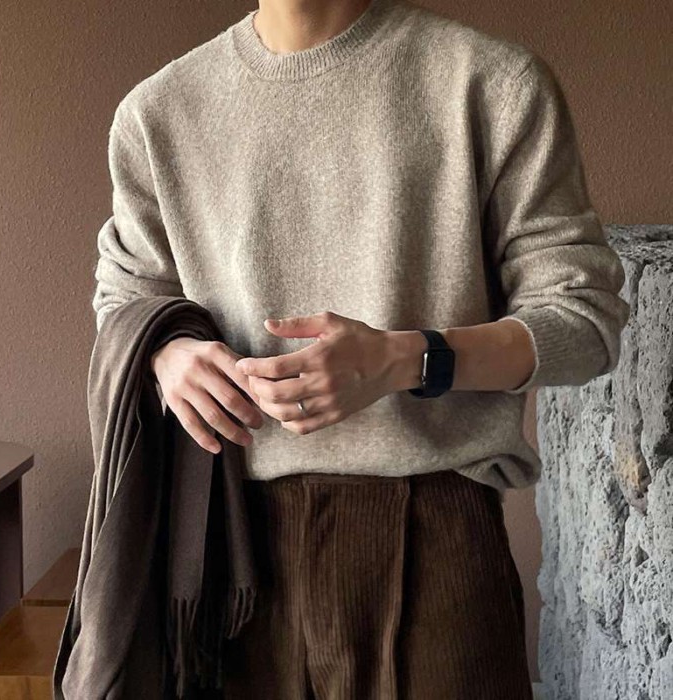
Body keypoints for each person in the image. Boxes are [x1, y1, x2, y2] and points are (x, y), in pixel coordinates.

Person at [92, 0, 630, 697]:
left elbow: (584, 321)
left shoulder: (491, 83)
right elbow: (125, 302)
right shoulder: (158, 114)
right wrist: (166, 355)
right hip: (230, 555)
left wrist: (406, 359)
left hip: (435, 542)